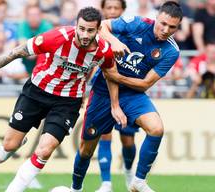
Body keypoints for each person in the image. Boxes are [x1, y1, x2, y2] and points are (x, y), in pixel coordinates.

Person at [0, 7, 127, 192]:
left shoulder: (104, 51)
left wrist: (115, 105)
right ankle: (16, 143)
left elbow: (111, 74)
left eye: (90, 30)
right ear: (76, 25)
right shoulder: (57, 37)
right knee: (9, 145)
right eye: (81, 28)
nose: (85, 34)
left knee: (45, 150)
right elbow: (17, 51)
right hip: (37, 91)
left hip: (68, 101)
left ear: (98, 30)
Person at [71, 1, 182, 192]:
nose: (165, 30)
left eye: (172, 27)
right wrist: (114, 41)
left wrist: (117, 76)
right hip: (103, 91)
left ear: (177, 27)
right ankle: (76, 188)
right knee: (86, 149)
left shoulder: (172, 51)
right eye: (163, 23)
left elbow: (146, 83)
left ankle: (138, 180)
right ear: (157, 17)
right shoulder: (137, 23)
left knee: (156, 129)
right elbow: (103, 25)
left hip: (132, 94)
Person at [95, 1, 135, 192]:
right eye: (108, 8)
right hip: (103, 88)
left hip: (127, 90)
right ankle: (106, 183)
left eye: (115, 8)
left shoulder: (130, 30)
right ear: (103, 10)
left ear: (123, 11)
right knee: (104, 134)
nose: (112, 11)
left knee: (128, 139)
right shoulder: (95, 32)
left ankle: (128, 173)